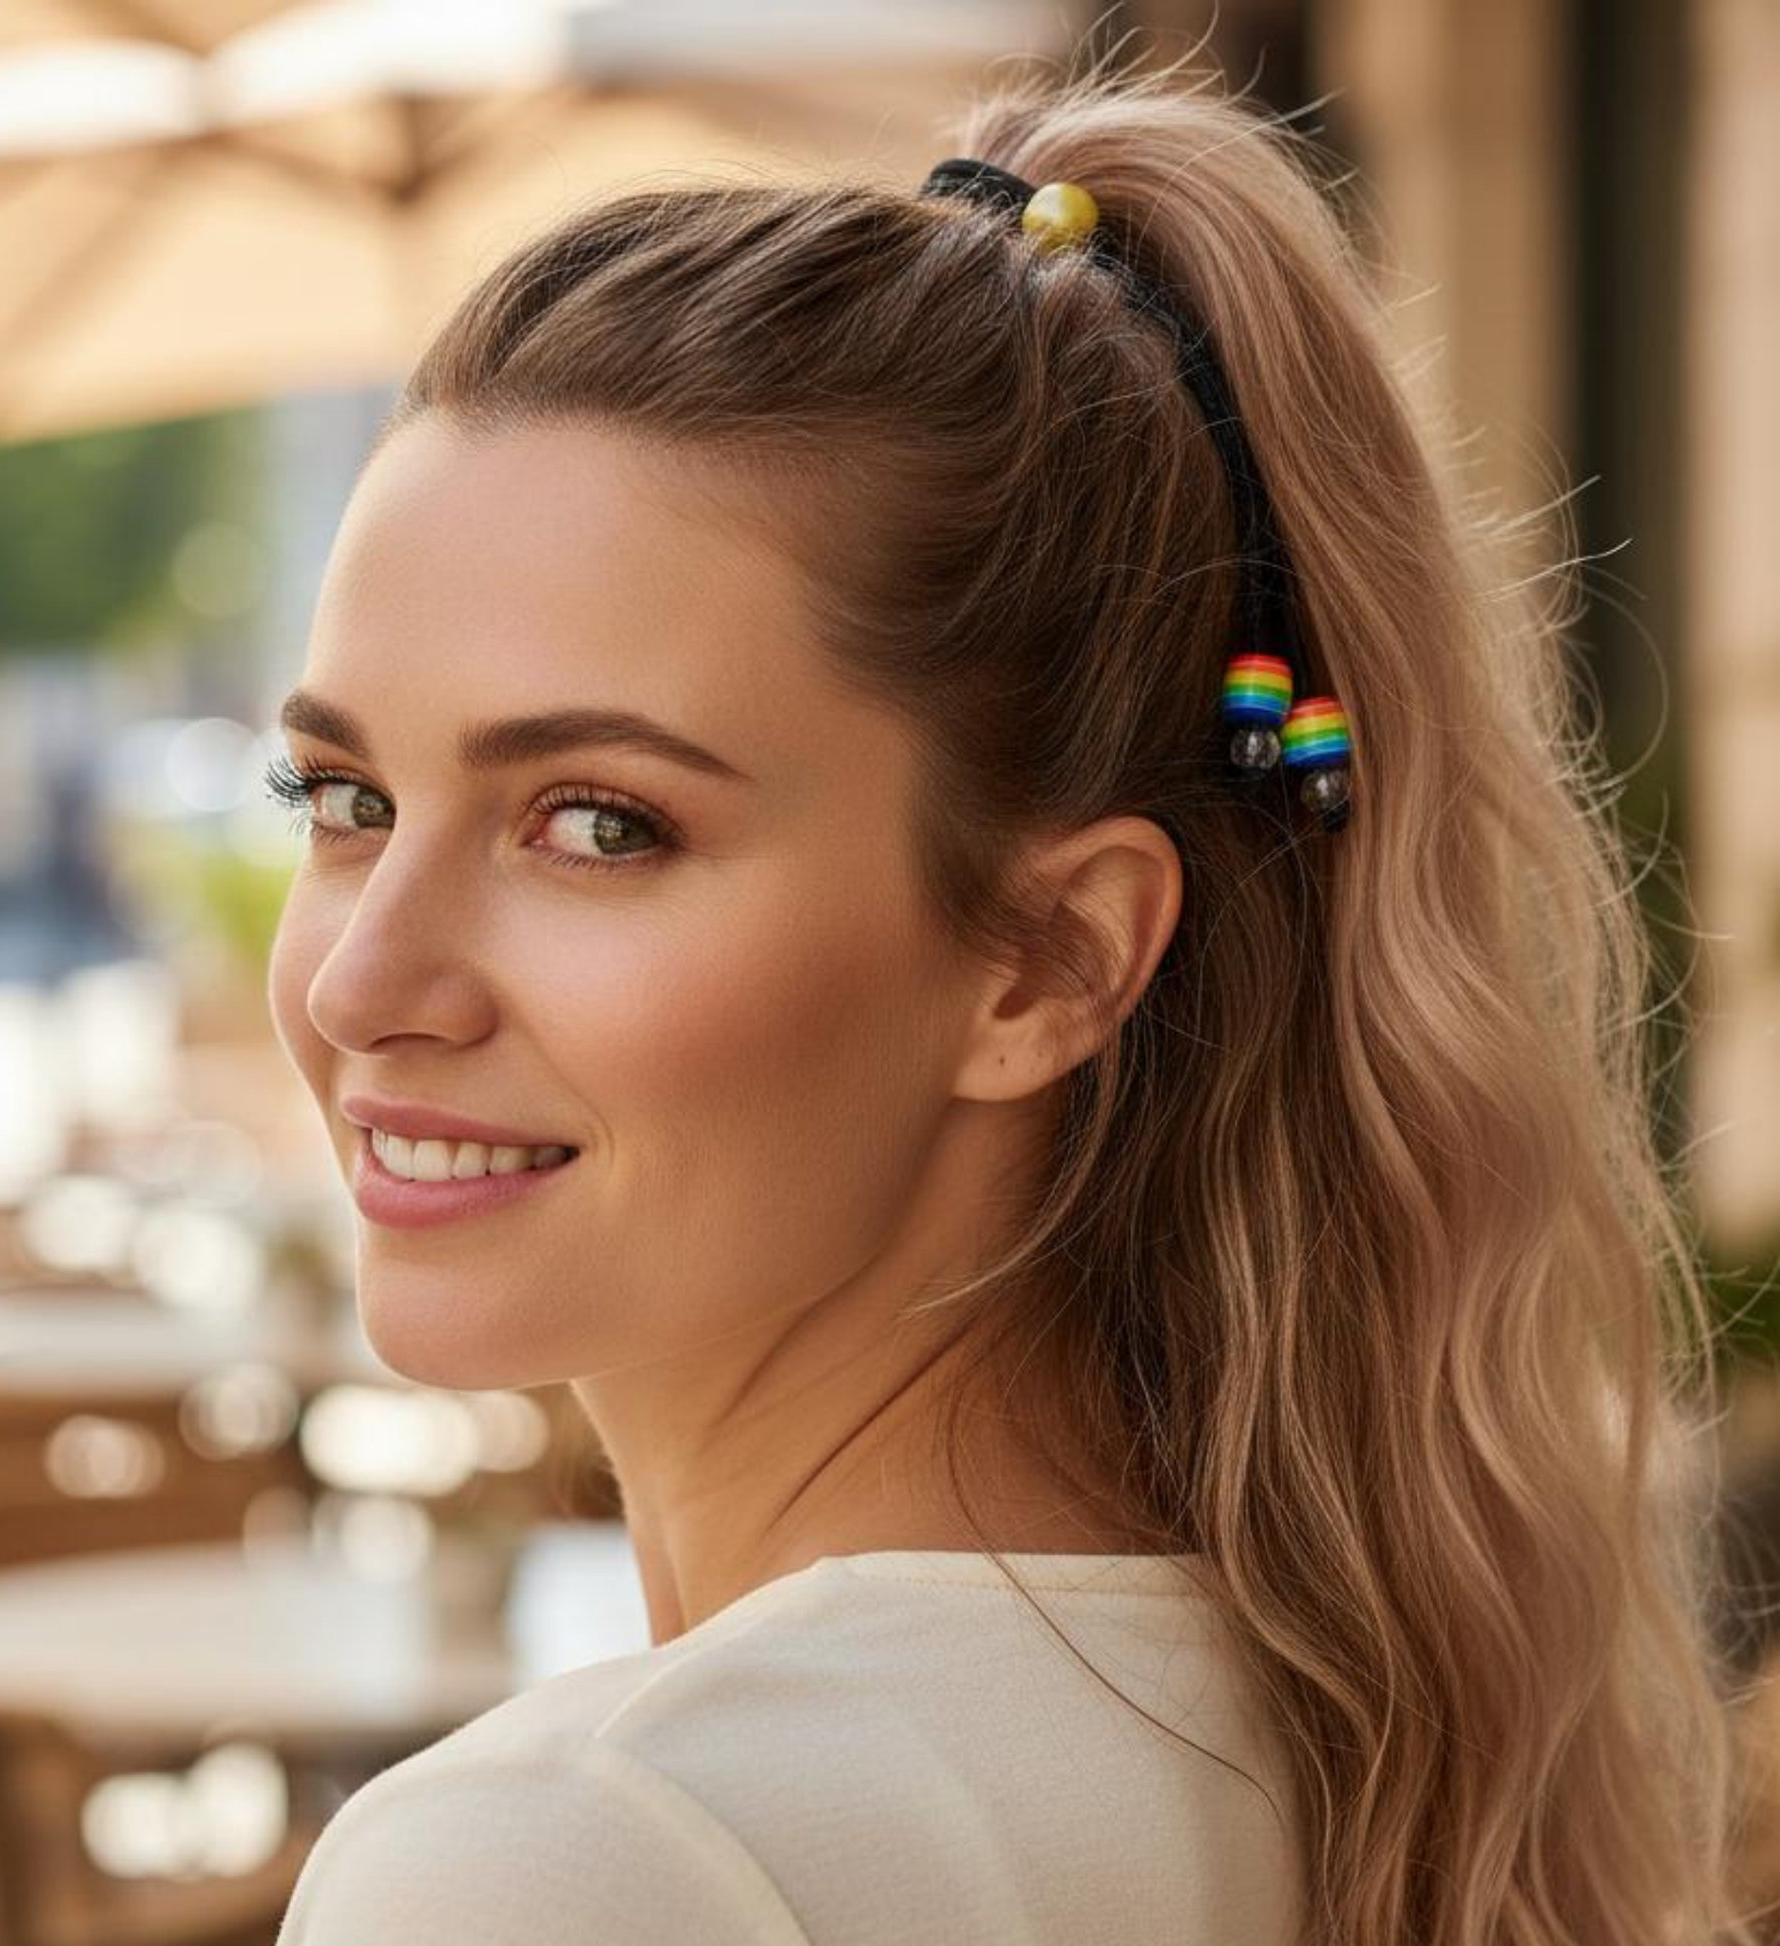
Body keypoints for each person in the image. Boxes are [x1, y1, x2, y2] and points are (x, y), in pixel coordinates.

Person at [262, 49, 1754, 1946]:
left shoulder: (579, 1855)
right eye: (345, 799)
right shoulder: (1348, 1727)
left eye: (599, 823)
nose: (366, 978)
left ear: (1047, 960)